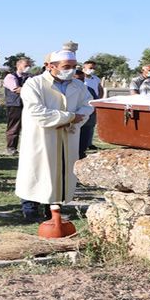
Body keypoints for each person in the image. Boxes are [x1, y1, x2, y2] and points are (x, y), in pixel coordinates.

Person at [15, 50, 93, 222]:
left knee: (61, 171)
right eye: (66, 67)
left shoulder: (78, 86)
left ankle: (54, 211)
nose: (71, 70)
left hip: (68, 136)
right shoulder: (35, 84)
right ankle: (30, 210)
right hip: (42, 137)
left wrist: (74, 121)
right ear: (51, 66)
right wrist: (70, 117)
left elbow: (87, 106)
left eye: (73, 67)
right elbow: (37, 112)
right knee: (37, 171)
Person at [3, 57, 31, 156]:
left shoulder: (30, 77)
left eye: (29, 65)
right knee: (14, 128)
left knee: (29, 128)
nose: (28, 67)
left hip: (27, 105)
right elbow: (16, 89)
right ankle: (11, 148)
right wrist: (32, 90)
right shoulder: (10, 77)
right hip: (14, 105)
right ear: (18, 66)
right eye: (26, 65)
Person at [75, 68, 98, 159]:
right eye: (77, 79)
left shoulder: (89, 90)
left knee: (82, 147)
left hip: (86, 122)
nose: (80, 82)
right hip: (72, 121)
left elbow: (94, 103)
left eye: (82, 79)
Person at [81, 60, 103, 149]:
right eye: (90, 68)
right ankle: (82, 143)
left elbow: (100, 88)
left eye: (94, 68)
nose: (92, 70)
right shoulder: (81, 78)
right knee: (83, 124)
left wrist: (99, 99)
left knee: (91, 124)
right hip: (84, 104)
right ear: (84, 68)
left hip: (94, 103)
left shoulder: (96, 78)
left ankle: (89, 143)